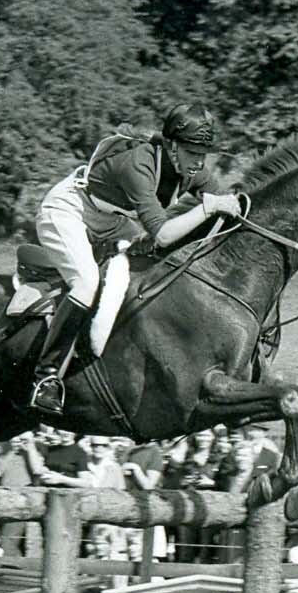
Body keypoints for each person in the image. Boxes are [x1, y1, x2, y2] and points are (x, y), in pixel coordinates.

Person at [30, 106, 241, 413]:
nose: (199, 162)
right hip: (69, 210)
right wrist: (208, 208)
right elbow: (164, 234)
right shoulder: (139, 164)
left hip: (112, 220)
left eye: (203, 154)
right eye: (192, 152)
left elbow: (225, 201)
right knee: (87, 283)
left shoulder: (191, 169)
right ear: (171, 146)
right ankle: (46, 377)